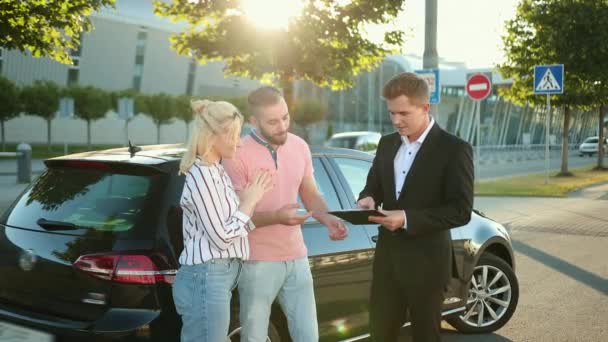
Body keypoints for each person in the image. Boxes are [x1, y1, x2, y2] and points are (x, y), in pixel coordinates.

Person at [223, 86, 348, 342]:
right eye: (273, 121)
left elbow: (310, 193)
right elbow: (235, 218)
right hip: (256, 262)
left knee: (308, 336)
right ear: (254, 122)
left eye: (285, 117)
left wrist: (328, 218)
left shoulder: (300, 146)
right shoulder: (236, 155)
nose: (282, 126)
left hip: (298, 258)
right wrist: (276, 217)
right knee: (255, 338)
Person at [357, 72, 474, 342]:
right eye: (391, 113)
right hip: (387, 262)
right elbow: (373, 184)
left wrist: (407, 218)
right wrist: (368, 198)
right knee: (380, 335)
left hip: (428, 266)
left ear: (425, 108)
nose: (396, 120)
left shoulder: (454, 150)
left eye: (403, 113)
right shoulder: (387, 143)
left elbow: (461, 210)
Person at [172, 99, 273, 342]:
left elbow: (231, 225)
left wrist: (251, 202)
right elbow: (222, 237)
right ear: (213, 135)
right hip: (207, 276)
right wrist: (248, 203)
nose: (239, 143)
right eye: (235, 136)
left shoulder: (217, 171)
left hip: (217, 276)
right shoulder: (202, 176)